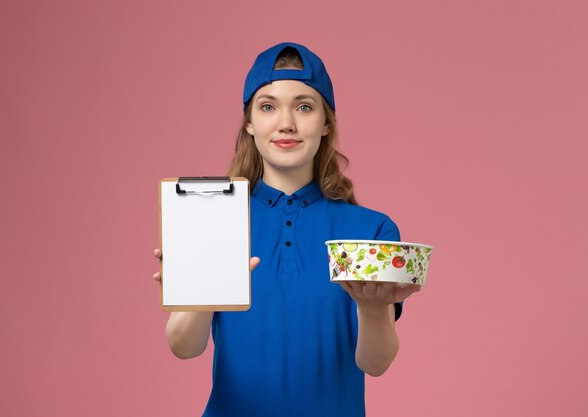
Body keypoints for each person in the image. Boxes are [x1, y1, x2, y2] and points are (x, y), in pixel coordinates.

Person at [153, 41, 421, 417]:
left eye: (304, 107)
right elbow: (184, 347)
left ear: (326, 123)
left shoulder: (370, 231)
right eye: (268, 107)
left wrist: (374, 308)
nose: (286, 123)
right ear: (249, 123)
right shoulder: (211, 218)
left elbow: (375, 363)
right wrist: (201, 289)